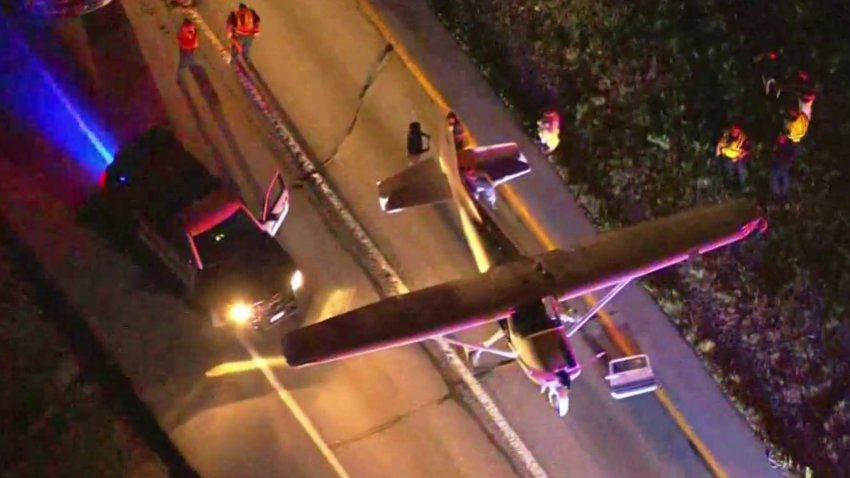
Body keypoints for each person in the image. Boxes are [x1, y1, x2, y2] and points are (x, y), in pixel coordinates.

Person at [771, 134, 796, 200]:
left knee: (786, 176)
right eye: (780, 137)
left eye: (783, 137)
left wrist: (788, 164)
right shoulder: (776, 145)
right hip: (777, 166)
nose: (781, 138)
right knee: (775, 176)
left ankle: (785, 194)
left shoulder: (789, 146)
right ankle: (776, 194)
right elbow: (773, 156)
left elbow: (792, 157)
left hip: (785, 166)